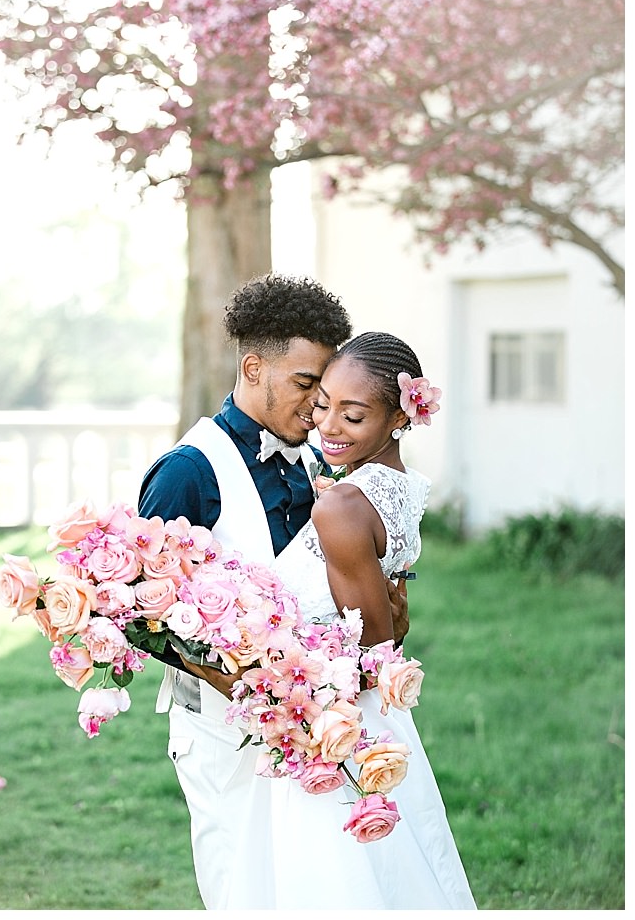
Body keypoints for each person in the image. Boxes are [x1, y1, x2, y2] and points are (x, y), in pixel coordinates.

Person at [138, 275, 411, 907]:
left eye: (328, 388)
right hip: (222, 736)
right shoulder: (189, 471)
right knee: (242, 890)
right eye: (306, 384)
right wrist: (232, 679)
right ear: (254, 366)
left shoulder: (321, 463)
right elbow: (131, 610)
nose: (320, 407)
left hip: (315, 733)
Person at [244, 331, 477, 909]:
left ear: (399, 415)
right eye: (322, 404)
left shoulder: (343, 506)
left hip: (338, 726)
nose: (328, 426)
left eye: (352, 415)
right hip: (369, 718)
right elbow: (389, 625)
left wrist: (279, 674)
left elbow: (371, 650)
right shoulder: (396, 489)